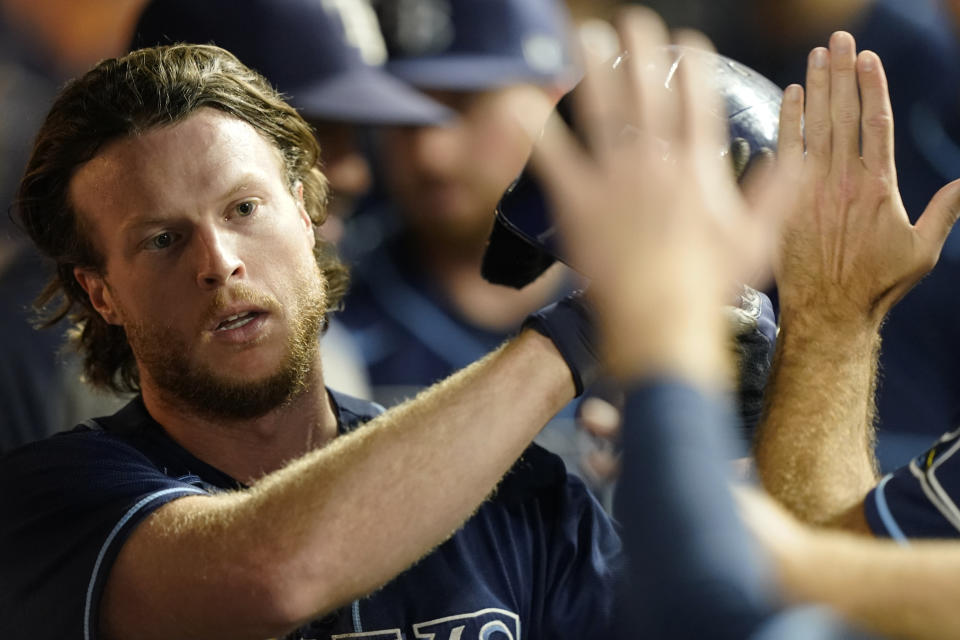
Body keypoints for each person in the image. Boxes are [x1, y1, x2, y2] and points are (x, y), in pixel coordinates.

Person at [0, 43, 619, 638]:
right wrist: (593, 324)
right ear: (101, 292)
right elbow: (272, 577)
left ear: (305, 214)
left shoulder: (514, 495)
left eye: (244, 209)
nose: (218, 263)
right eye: (161, 239)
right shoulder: (49, 504)